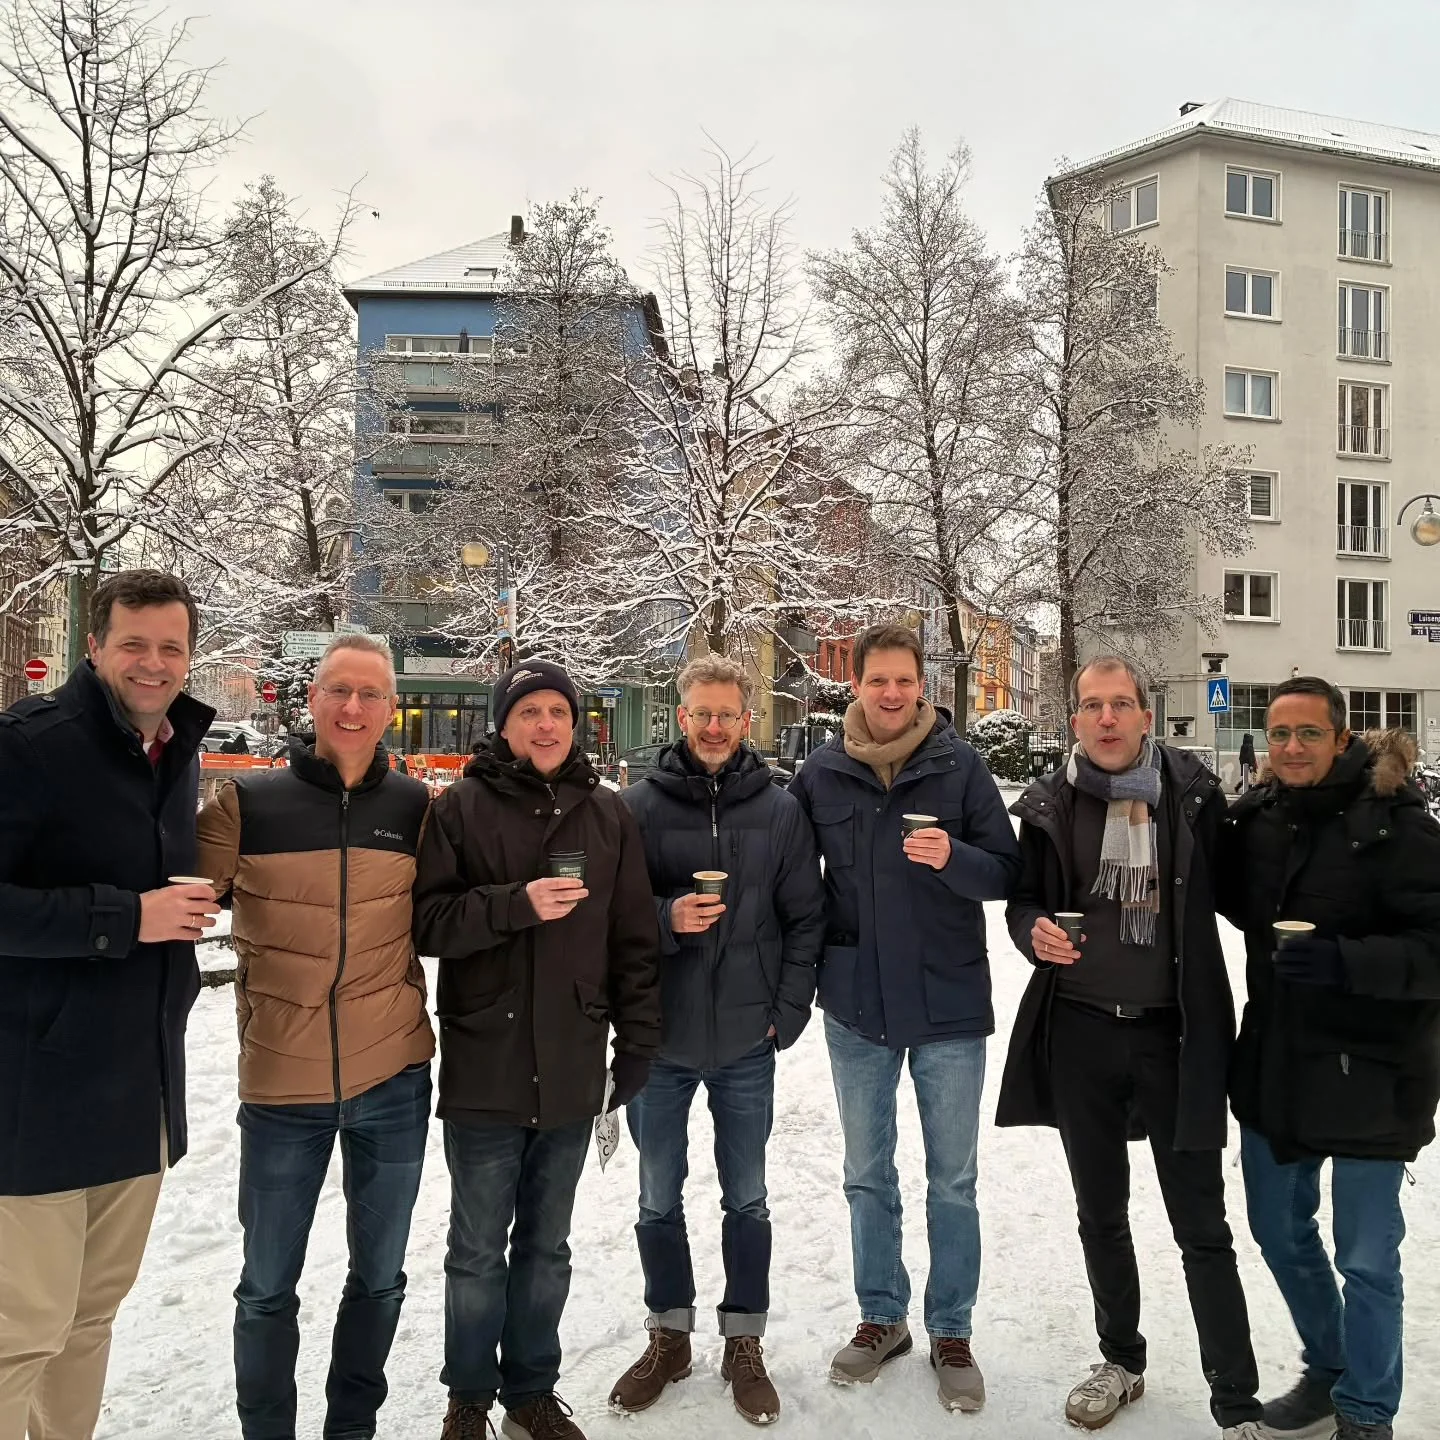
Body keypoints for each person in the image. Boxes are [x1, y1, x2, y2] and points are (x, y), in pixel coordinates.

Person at [997, 656, 1264, 1438]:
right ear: (1074, 720)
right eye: (1092, 705)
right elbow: (1022, 901)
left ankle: (1237, 1401)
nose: (1107, 718)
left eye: (1121, 704)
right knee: (1100, 1214)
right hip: (1080, 1032)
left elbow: (1247, 890)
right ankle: (1121, 1359)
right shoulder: (1050, 804)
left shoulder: (1194, 797)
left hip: (1174, 1035)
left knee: (1202, 1227)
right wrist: (1031, 931)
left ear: (1147, 715)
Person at [414, 659, 662, 1440]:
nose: (545, 724)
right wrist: (513, 905)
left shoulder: (607, 812)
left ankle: (531, 1393)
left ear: (576, 723)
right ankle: (467, 1398)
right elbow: (428, 923)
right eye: (529, 713)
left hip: (571, 1058)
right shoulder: (460, 807)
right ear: (505, 725)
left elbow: (633, 938)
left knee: (547, 1248)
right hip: (484, 1060)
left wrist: (637, 1044)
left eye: (558, 711)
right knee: (476, 1250)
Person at [195, 634, 434, 1440]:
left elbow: (459, 909)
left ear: (390, 708)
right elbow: (170, 894)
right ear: (313, 699)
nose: (353, 707)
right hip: (280, 1087)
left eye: (370, 694)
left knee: (380, 1280)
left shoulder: (414, 808)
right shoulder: (249, 805)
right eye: (339, 690)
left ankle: (351, 1429)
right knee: (266, 1289)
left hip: (393, 1079)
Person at [0, 570, 218, 1440]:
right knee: (21, 1332)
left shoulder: (177, 750)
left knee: (89, 1321)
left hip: (138, 1092)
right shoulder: (28, 744)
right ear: (94, 647)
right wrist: (128, 918)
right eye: (134, 644)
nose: (153, 663)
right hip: (35, 1097)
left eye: (171, 647)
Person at [789, 623, 1020, 1414]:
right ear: (855, 685)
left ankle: (951, 1329)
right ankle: (882, 1316)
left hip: (948, 1004)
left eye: (904, 680)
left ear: (923, 686)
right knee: (866, 1173)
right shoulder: (821, 773)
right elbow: (791, 877)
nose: (891, 693)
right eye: (877, 680)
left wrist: (954, 857)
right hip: (856, 1005)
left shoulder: (960, 766)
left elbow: (1007, 873)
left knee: (952, 1179)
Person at [1218, 678, 1440, 1440]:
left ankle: (1368, 1411)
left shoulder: (1398, 826)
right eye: (1279, 733)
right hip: (1278, 1064)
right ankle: (1331, 1366)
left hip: (1375, 1072)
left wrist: (1347, 962)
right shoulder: (1259, 821)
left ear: (1342, 739)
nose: (1291, 747)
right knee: (1279, 1232)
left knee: (1367, 1259)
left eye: (1309, 733)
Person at [608, 655, 824, 1425]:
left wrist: (784, 1013)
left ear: (745, 719)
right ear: (681, 716)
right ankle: (669, 1336)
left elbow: (807, 919)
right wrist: (666, 918)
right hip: (659, 1041)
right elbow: (611, 918)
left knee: (748, 1197)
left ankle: (743, 1341)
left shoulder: (780, 811)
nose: (713, 726)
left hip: (744, 1040)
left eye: (727, 714)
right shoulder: (635, 808)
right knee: (656, 1197)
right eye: (701, 712)